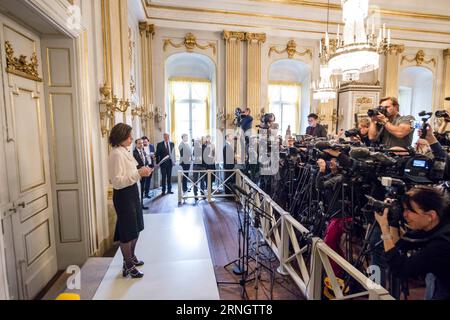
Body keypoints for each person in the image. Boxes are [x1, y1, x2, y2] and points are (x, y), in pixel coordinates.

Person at [375, 186, 450, 300]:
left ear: (430, 216)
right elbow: (402, 244)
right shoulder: (439, 223)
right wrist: (393, 222)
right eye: (404, 209)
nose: (405, 215)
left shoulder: (441, 246)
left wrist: (384, 229)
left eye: (409, 210)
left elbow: (400, 269)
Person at [108, 123, 152, 278]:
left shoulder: (124, 151)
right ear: (120, 136)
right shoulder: (116, 154)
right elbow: (117, 181)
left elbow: (132, 173)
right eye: (129, 136)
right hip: (123, 195)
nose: (131, 138)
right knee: (127, 231)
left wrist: (142, 172)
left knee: (136, 227)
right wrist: (139, 173)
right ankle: (128, 264)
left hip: (132, 192)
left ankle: (131, 257)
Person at [133, 138, 149, 210]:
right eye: (139, 143)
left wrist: (147, 167)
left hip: (144, 173)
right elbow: (135, 165)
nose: (141, 144)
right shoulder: (134, 153)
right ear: (136, 144)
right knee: (139, 190)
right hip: (138, 174)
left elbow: (145, 162)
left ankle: (141, 204)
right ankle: (139, 205)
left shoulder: (143, 152)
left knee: (142, 189)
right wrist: (142, 168)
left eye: (142, 143)